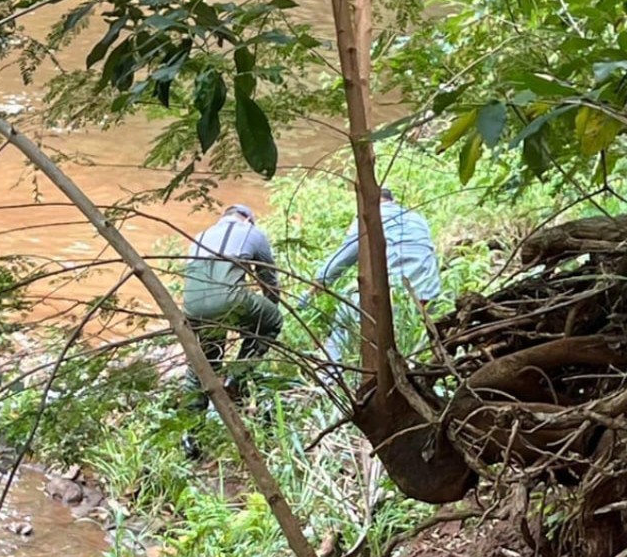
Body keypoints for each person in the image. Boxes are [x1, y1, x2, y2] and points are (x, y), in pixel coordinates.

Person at [180, 204, 282, 459]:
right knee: (271, 321)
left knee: (202, 364)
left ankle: (189, 436)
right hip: (230, 301)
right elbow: (269, 281)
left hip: (192, 307)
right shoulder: (252, 233)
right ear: (248, 219)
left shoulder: (201, 236)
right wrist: (264, 313)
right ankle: (235, 376)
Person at [304, 188, 440, 366]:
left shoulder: (369, 219)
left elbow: (338, 262)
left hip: (391, 294)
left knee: (347, 312)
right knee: (409, 348)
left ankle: (330, 369)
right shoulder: (417, 218)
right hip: (427, 296)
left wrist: (308, 296)